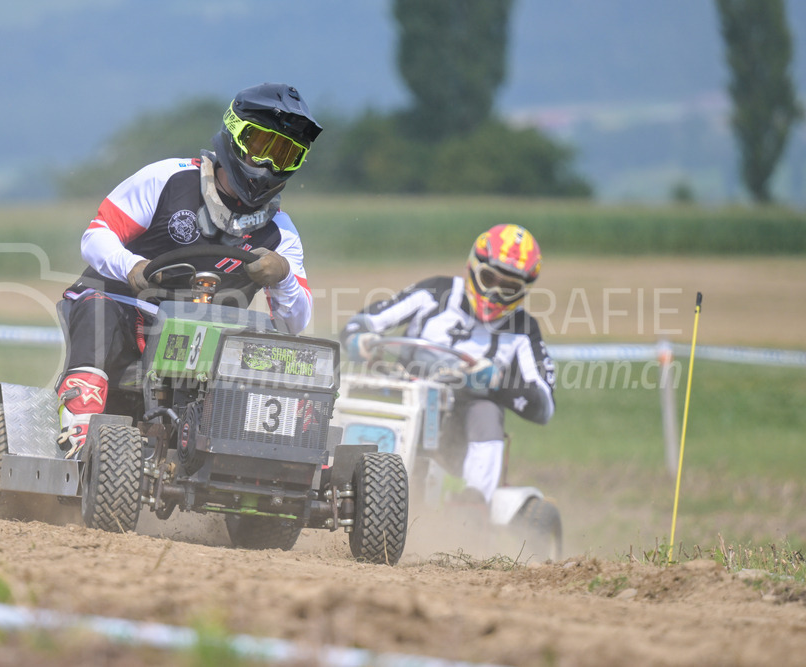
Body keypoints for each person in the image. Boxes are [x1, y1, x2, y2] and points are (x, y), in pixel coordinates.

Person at [56, 83, 323, 457]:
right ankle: (78, 436)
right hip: (125, 311)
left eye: (285, 155)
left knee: (267, 347)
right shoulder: (168, 179)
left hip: (206, 340)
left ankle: (257, 456)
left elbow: (295, 324)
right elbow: (96, 235)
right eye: (261, 147)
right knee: (98, 309)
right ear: (235, 135)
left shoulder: (281, 233)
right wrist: (132, 266)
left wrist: (283, 277)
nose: (268, 165)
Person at [339, 223, 556, 503]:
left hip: (457, 435)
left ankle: (474, 507)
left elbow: (544, 406)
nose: (495, 295)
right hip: (403, 399)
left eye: (509, 288)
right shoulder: (435, 292)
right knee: (355, 387)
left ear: (523, 290)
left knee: (487, 410)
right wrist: (359, 340)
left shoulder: (523, 330)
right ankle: (338, 476)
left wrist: (496, 383)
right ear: (473, 268)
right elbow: (363, 323)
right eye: (489, 279)